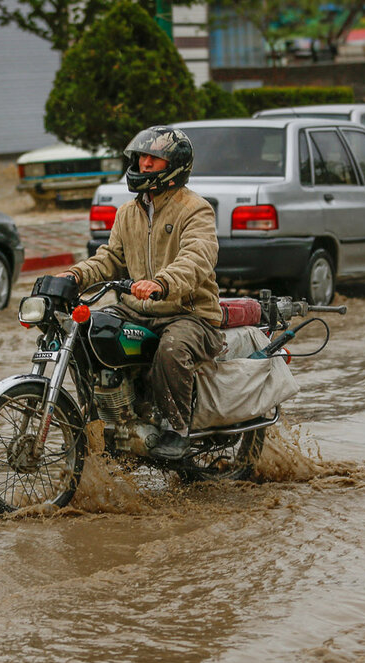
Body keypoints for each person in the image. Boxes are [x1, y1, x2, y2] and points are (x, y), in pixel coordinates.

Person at [62, 126, 223, 461]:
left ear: (175, 165)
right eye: (142, 157)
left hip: (189, 314)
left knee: (171, 348)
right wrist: (73, 276)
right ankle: (102, 419)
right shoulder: (128, 212)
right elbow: (111, 259)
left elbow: (197, 257)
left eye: (155, 158)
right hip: (135, 310)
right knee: (89, 332)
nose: (145, 163)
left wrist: (162, 283)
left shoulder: (195, 209)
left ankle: (176, 429)